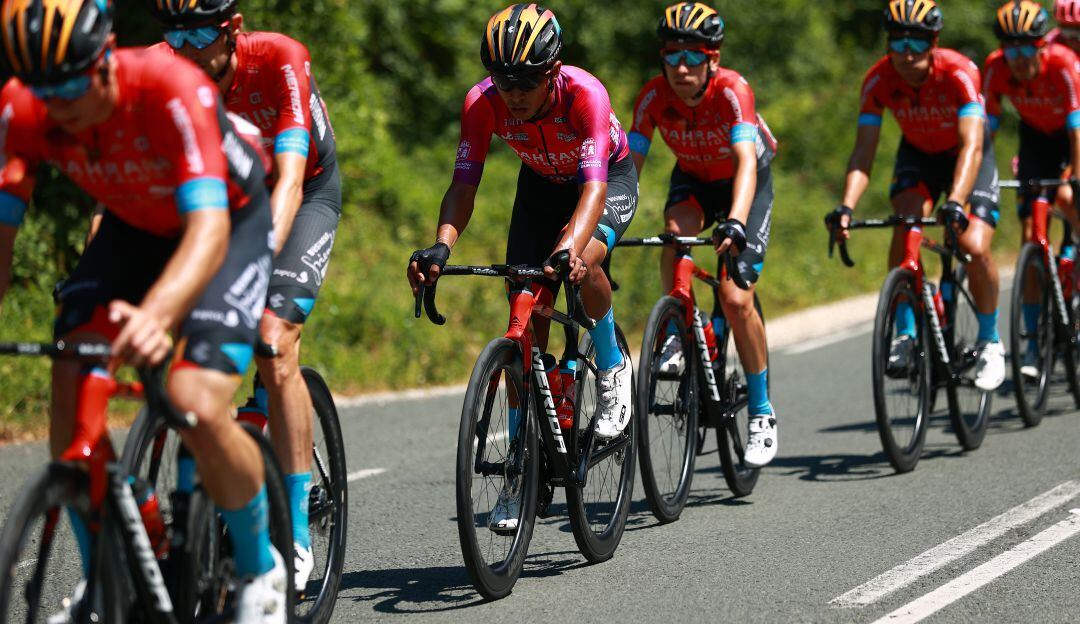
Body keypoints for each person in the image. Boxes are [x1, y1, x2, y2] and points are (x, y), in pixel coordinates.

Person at [0, 0, 285, 621]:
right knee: (71, 393)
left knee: (195, 402)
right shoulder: (20, 110)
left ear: (104, 61)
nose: (61, 106)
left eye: (73, 85)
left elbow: (207, 230)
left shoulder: (170, 86)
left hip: (225, 223)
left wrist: (157, 314)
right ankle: (110, 575)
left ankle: (262, 570)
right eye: (44, 91)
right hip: (132, 228)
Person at [407, 3, 637, 531]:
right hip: (538, 186)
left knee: (582, 260)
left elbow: (595, 189)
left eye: (526, 80)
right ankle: (521, 470)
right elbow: (464, 184)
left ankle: (612, 363)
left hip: (602, 183)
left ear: (553, 71)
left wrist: (567, 251)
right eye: (503, 79)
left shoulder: (586, 96)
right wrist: (442, 245)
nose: (513, 92)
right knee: (524, 311)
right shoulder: (482, 103)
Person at [148, 0, 341, 592]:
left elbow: (288, 178)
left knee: (272, 340)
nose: (185, 44)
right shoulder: (163, 65)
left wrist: (256, 264)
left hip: (300, 192)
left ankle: (297, 534)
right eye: (174, 32)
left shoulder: (278, 59)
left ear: (231, 30)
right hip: (219, 198)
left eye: (200, 31)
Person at [628, 2, 780, 468]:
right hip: (692, 179)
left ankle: (761, 411)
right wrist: (605, 228)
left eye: (692, 56)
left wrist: (735, 220)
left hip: (743, 181)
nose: (680, 66)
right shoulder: (653, 97)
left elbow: (746, 164)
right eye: (671, 55)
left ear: (712, 59)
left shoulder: (733, 90)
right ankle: (677, 328)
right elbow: (627, 173)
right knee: (674, 234)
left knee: (735, 299)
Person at [830, 0, 1006, 391]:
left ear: (934, 42)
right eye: (897, 43)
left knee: (974, 246)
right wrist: (846, 207)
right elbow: (863, 154)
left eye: (917, 43)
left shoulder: (959, 72)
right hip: (918, 156)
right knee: (906, 221)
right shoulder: (878, 81)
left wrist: (957, 200)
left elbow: (972, 146)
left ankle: (991, 340)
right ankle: (906, 334)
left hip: (967, 157)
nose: (906, 53)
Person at [985, 0, 1080, 379]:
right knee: (1030, 236)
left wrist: (1074, 171)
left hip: (1071, 136)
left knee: (1068, 196)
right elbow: (984, 131)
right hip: (1036, 141)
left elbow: (1076, 131)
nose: (1020, 59)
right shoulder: (998, 68)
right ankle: (1030, 340)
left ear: (1042, 47)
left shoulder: (1063, 63)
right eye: (1013, 50)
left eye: (1028, 50)